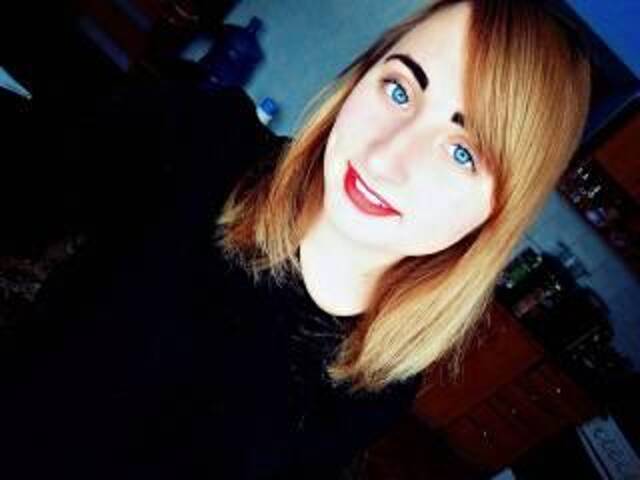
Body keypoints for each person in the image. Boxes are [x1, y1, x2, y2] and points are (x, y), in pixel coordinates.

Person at [0, 0, 591, 478]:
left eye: (462, 152)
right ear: (359, 78)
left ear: (498, 213)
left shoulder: (380, 376)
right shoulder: (203, 142)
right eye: (399, 90)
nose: (385, 158)